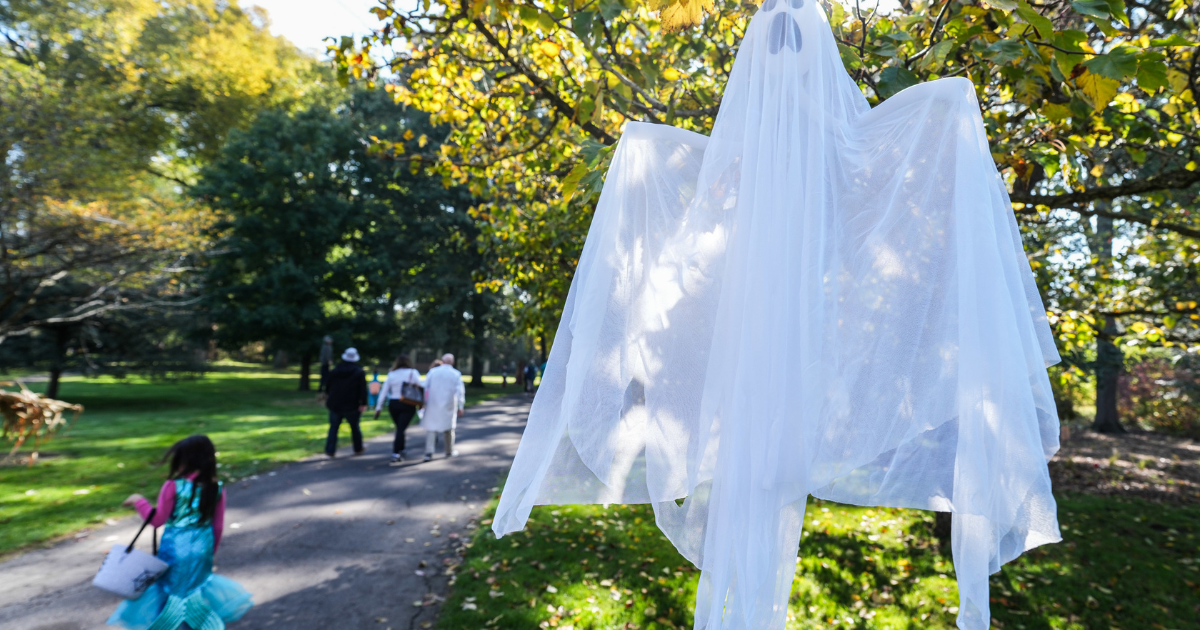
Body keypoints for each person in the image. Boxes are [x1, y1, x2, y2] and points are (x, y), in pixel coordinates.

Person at [108, 435, 252, 630]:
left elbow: (157, 520)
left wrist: (138, 501)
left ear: (185, 461)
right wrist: (212, 553)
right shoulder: (216, 487)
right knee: (194, 592)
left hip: (176, 549)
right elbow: (217, 526)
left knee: (172, 593)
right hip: (203, 548)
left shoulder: (173, 486)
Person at [375, 354, 422, 465]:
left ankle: (401, 448)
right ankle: (396, 453)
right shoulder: (413, 373)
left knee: (400, 427)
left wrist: (378, 407)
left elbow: (384, 392)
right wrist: (421, 403)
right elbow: (420, 387)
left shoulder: (392, 374)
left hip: (394, 403)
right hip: (408, 403)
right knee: (401, 428)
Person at [324, 347, 368, 458]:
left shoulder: (335, 370)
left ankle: (330, 450)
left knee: (333, 427)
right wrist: (363, 403)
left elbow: (328, 386)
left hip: (335, 403)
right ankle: (358, 447)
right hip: (352, 404)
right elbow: (362, 389)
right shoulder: (359, 371)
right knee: (355, 427)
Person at [421, 353, 464, 462]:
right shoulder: (456, 374)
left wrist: (422, 401)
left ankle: (429, 452)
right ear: (452, 362)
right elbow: (460, 392)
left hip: (432, 403)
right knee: (449, 428)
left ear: (442, 361)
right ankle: (449, 450)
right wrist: (461, 406)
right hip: (448, 404)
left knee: (431, 429)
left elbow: (425, 386)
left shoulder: (433, 372)